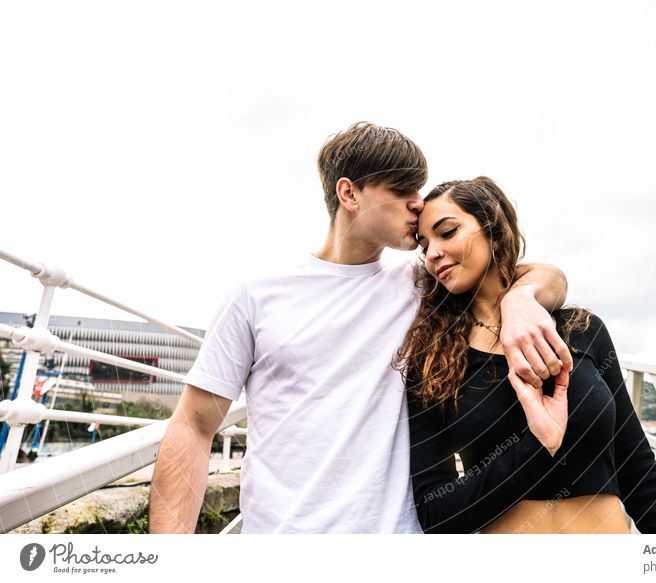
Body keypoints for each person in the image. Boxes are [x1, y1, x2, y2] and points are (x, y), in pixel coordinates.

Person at [149, 123, 571, 533]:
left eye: (418, 189)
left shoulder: (422, 284)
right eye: (402, 189)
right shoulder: (256, 297)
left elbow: (541, 275)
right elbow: (193, 426)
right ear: (349, 193)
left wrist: (520, 299)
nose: (418, 203)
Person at [397, 176, 656, 534]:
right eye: (424, 244)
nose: (431, 254)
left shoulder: (582, 330)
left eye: (447, 232)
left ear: (492, 225)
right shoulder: (432, 362)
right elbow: (436, 515)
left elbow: (638, 471)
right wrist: (536, 448)